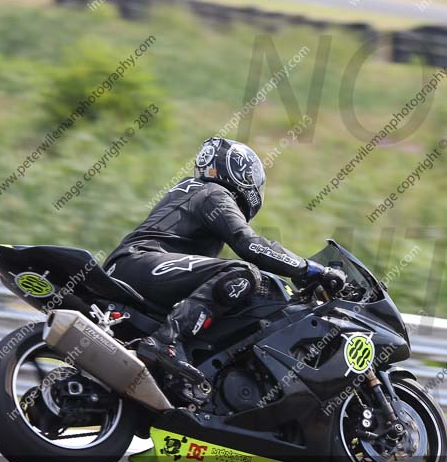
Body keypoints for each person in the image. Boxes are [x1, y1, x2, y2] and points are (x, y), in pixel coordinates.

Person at [103, 137, 345, 392]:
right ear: (240, 171)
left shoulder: (194, 190)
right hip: (139, 262)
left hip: (134, 267)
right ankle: (167, 342)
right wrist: (312, 269)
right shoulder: (211, 192)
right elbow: (250, 245)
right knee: (242, 273)